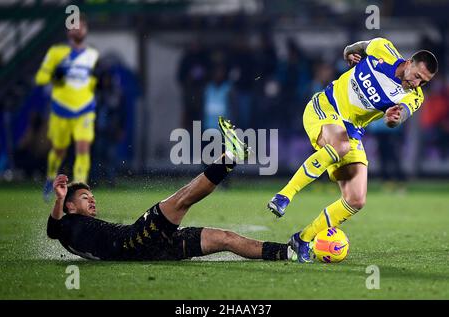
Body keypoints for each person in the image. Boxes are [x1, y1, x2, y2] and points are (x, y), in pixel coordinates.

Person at [267, 37, 438, 263]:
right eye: (417, 76)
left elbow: (399, 116)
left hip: (351, 130)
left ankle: (303, 239)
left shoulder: (414, 96)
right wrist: (349, 54)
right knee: (340, 145)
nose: (417, 84)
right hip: (325, 108)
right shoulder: (382, 48)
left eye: (424, 82)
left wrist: (392, 118)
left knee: (356, 199)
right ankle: (284, 196)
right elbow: (353, 48)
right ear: (409, 63)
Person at [47, 118, 295, 262]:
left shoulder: (73, 230)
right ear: (69, 206)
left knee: (224, 238)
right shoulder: (67, 225)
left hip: (151, 251)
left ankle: (288, 253)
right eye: (84, 197)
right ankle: (231, 156)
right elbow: (53, 229)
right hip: (134, 241)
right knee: (183, 197)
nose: (91, 201)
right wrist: (58, 199)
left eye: (91, 196)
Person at [35, 15, 100, 201]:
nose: (78, 29)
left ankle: (81, 189)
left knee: (83, 148)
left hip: (85, 109)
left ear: (86, 30)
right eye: (74, 26)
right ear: (68, 31)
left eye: (82, 26)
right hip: (61, 110)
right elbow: (40, 78)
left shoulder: (92, 55)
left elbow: (94, 82)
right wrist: (54, 75)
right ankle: (50, 177)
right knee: (59, 150)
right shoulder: (56, 52)